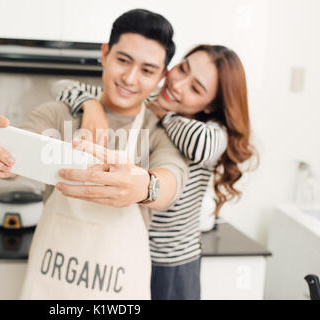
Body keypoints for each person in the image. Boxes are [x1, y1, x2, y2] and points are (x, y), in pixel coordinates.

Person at [0, 9, 189, 299]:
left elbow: (172, 183)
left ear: (161, 76)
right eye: (123, 60)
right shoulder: (59, 114)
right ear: (105, 54)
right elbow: (16, 155)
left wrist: (146, 185)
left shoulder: (160, 132)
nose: (130, 78)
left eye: (147, 70)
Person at [53, 44, 257, 299]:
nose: (178, 85)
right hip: (125, 253)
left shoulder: (213, 133)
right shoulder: (147, 101)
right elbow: (61, 87)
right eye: (182, 69)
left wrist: (161, 112)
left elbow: (200, 143)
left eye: (195, 88)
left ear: (210, 106)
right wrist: (91, 105)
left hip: (170, 265)